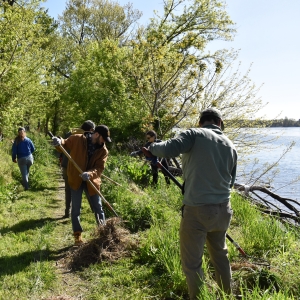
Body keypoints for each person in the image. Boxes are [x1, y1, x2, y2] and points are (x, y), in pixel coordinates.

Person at [147, 108, 237, 299]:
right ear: (220, 122)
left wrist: (152, 147)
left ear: (200, 122)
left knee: (192, 263)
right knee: (220, 257)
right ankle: (227, 295)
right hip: (224, 210)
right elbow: (231, 182)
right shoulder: (230, 145)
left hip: (197, 211)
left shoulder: (194, 134)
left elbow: (167, 149)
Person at [52, 125, 111, 246]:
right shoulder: (78, 139)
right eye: (103, 138)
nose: (103, 142)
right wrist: (58, 141)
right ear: (96, 134)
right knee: (76, 209)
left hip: (91, 181)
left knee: (98, 208)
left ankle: (104, 233)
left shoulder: (103, 150)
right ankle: (77, 235)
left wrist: (89, 174)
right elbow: (65, 144)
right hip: (76, 178)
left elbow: (99, 168)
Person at [60, 120, 95, 218]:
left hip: (67, 165)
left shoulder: (70, 133)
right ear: (91, 129)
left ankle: (68, 212)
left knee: (69, 189)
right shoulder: (84, 137)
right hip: (73, 166)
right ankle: (94, 210)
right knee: (87, 188)